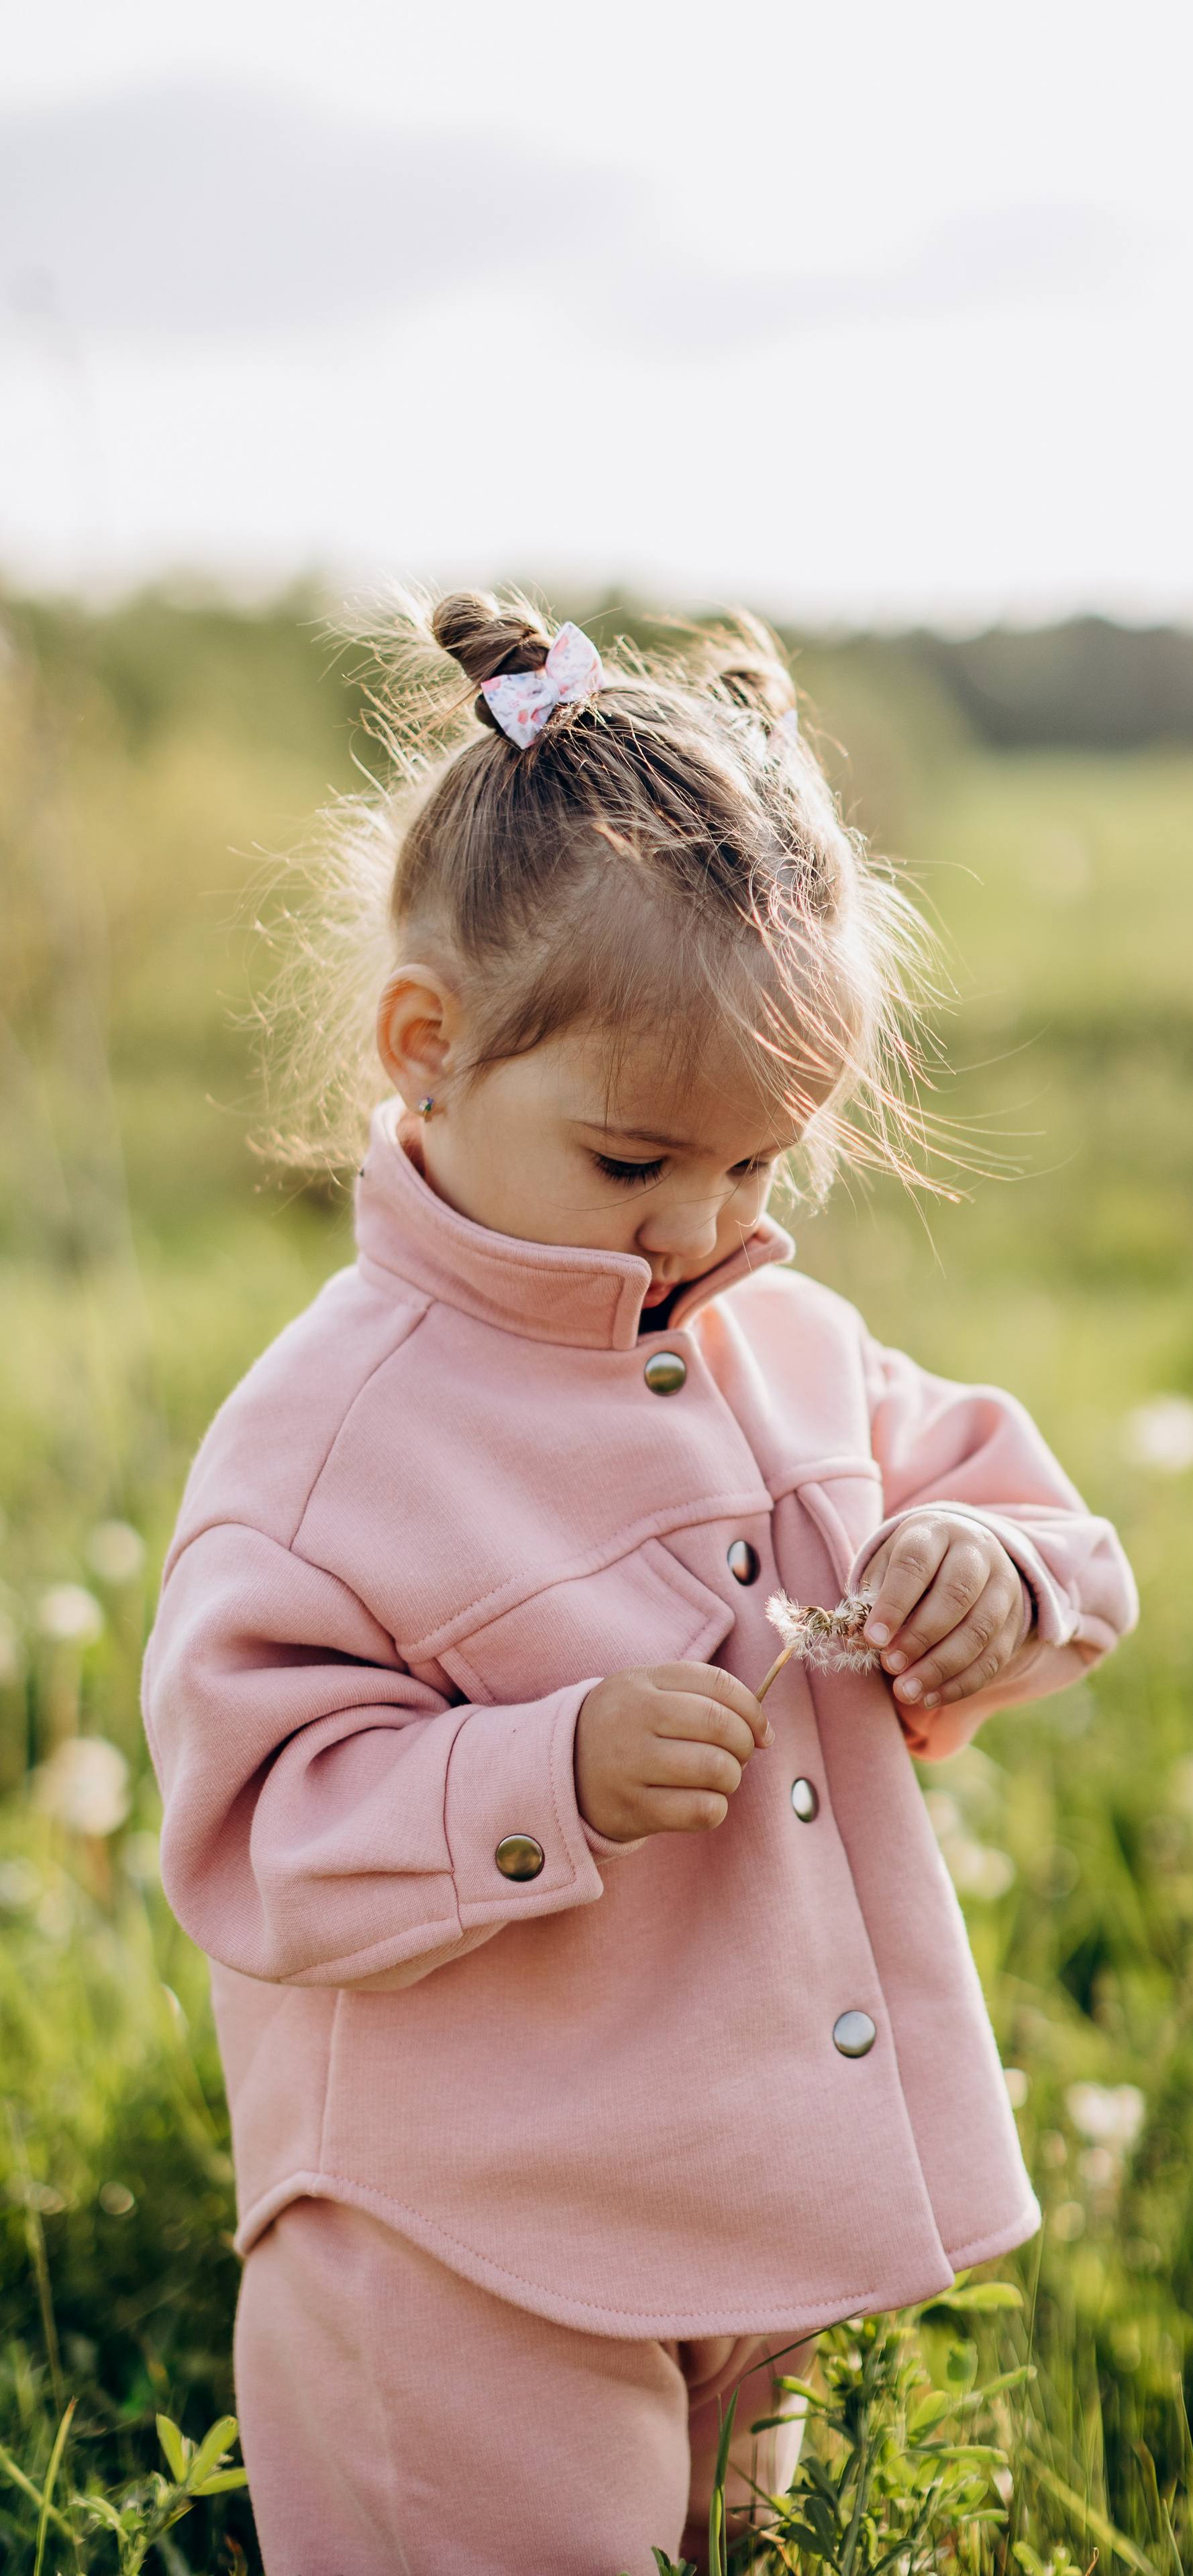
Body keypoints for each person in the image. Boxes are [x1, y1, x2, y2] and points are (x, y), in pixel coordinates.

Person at [142, 593, 1138, 2575]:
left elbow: (1066, 1546)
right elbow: (256, 1832)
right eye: (630, 1168)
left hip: (758, 2195)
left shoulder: (791, 1345)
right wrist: (550, 1776)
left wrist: (987, 1582)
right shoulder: (339, 1436)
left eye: (760, 1170)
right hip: (464, 2248)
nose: (701, 1227)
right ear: (427, 1048)